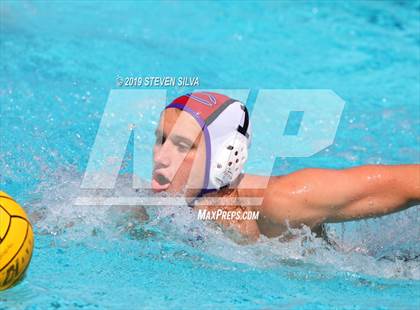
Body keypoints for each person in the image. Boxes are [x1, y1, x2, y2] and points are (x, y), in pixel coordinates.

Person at [151, 92, 420, 242]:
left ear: (225, 157)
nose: (160, 158)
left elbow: (408, 183)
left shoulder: (282, 201)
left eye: (184, 146)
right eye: (161, 140)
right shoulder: (146, 202)